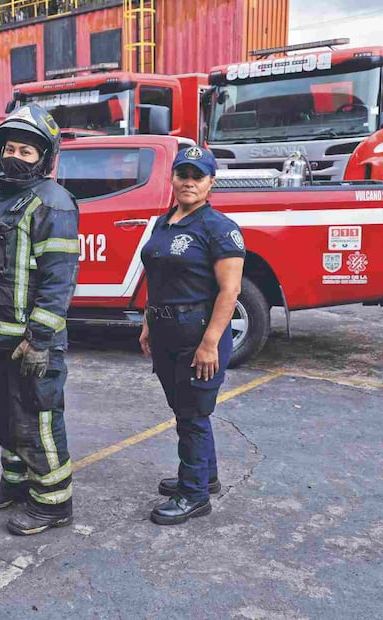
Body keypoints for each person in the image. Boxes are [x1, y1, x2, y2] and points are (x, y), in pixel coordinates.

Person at [0, 103, 79, 536]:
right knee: (5, 414)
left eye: (27, 151)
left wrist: (40, 339)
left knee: (38, 418)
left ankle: (53, 502)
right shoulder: (2, 199)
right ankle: (17, 483)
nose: (15, 156)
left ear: (44, 158)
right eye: (10, 148)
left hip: (31, 341)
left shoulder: (53, 203)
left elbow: (58, 279)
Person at [138, 146, 245, 525]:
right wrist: (149, 321)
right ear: (172, 178)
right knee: (184, 411)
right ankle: (204, 476)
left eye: (197, 176)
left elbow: (229, 291)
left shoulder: (219, 228)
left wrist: (210, 343)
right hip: (167, 330)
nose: (188, 182)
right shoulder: (164, 223)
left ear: (210, 183)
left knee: (192, 414)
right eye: (182, 174)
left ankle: (195, 495)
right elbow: (158, 277)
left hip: (199, 334)